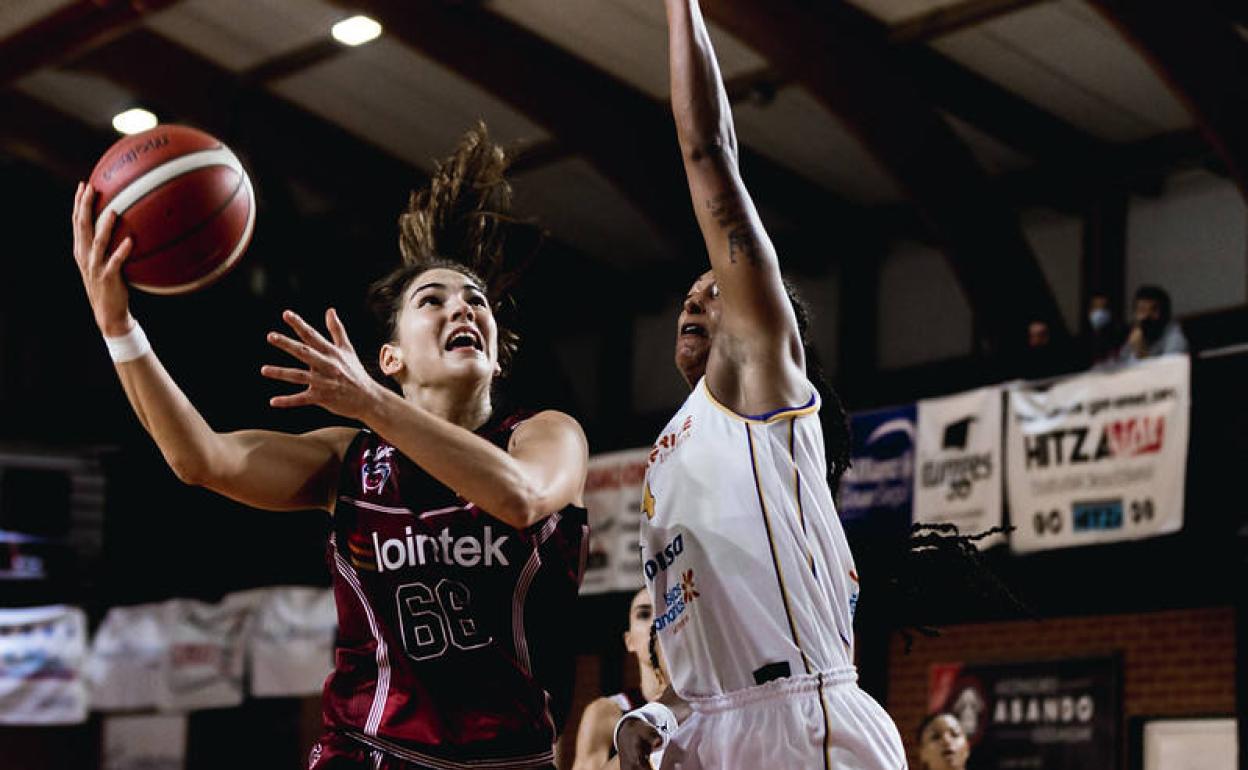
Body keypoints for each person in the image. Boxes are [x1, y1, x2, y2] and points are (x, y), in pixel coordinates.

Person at [70, 125, 589, 770]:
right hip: (369, 752)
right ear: (390, 356)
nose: (464, 308)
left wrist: (373, 401)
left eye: (476, 300)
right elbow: (198, 458)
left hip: (512, 758)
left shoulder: (546, 434)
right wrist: (118, 327)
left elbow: (518, 498)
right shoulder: (349, 460)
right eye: (434, 299)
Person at [613, 1, 907, 767]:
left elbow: (708, 148)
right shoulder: (671, 449)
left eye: (716, 290)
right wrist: (656, 713)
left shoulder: (757, 381)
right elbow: (699, 660)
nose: (695, 298)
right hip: (716, 727)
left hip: (802, 720)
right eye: (689, 292)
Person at [571, 588, 668, 770]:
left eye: (665, 610)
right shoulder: (605, 713)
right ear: (629, 641)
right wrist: (631, 752)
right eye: (644, 614)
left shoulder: (707, 703)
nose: (656, 621)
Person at [1116, 284, 1188, 364]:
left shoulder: (1175, 336)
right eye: (1142, 310)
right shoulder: (1136, 334)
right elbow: (1121, 366)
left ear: (1164, 313)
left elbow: (1170, 372)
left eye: (1154, 309)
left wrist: (1142, 352)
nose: (1147, 315)